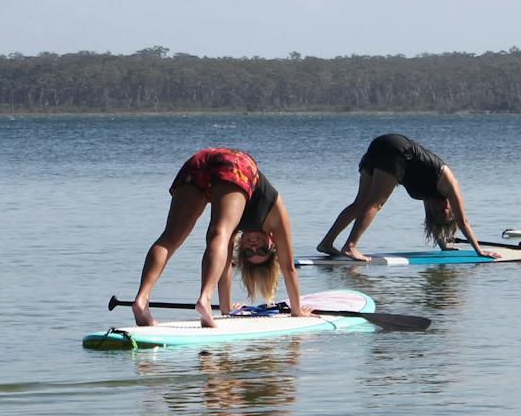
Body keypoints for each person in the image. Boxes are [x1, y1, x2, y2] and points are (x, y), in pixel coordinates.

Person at [133, 147, 307, 328]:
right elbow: (289, 269)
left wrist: (226, 310)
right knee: (219, 233)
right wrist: (297, 311)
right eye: (262, 250)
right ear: (272, 245)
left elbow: (225, 267)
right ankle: (205, 300)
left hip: (198, 163)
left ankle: (141, 300)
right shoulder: (276, 220)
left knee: (170, 238)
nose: (254, 246)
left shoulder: (233, 234)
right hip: (236, 164)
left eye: (249, 252)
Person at [316, 132, 494, 261]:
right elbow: (463, 222)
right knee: (375, 203)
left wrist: (443, 246)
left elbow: (433, 218)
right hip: (396, 149)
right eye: (446, 210)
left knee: (361, 203)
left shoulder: (430, 197)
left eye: (439, 212)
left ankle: (326, 243)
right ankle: (350, 247)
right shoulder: (450, 183)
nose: (444, 208)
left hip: (379, 147)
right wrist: (478, 251)